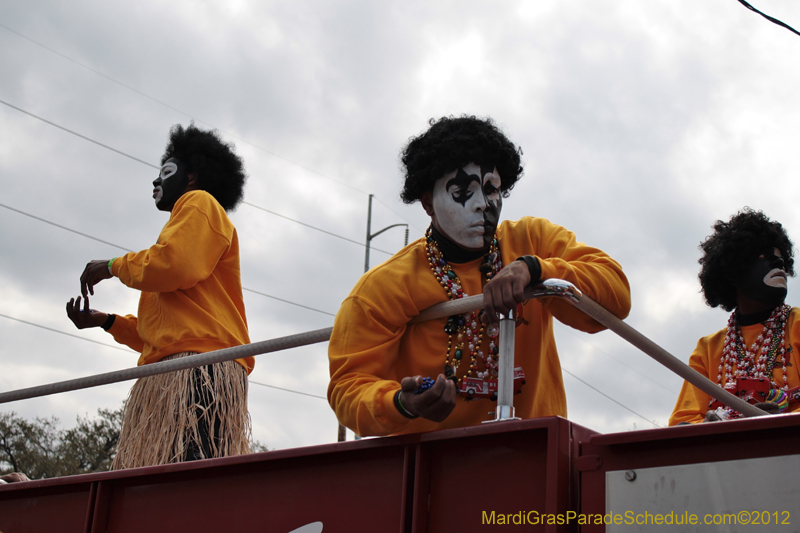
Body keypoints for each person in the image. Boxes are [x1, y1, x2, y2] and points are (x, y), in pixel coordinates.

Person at [328, 115, 631, 437]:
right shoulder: (384, 286)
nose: (482, 205)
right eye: (462, 191)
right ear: (428, 202)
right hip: (429, 467)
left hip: (538, 453)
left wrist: (536, 269)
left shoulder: (533, 241)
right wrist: (401, 403)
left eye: (491, 189)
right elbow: (348, 388)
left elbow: (617, 297)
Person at [66, 124, 253, 468]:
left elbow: (173, 265)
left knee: (188, 472)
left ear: (192, 177)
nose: (155, 182)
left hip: (199, 369)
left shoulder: (199, 203)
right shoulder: (184, 228)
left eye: (166, 172)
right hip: (181, 365)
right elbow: (163, 333)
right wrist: (107, 322)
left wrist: (111, 266)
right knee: (171, 475)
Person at [670, 209, 800, 425]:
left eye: (781, 259)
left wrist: (781, 422)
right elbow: (683, 423)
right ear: (732, 273)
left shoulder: (796, 325)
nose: (778, 264)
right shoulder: (708, 350)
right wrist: (712, 428)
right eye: (765, 256)